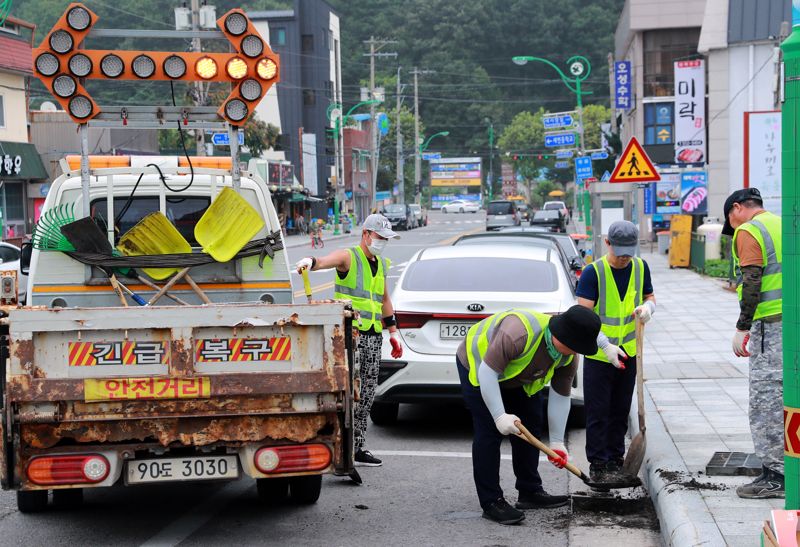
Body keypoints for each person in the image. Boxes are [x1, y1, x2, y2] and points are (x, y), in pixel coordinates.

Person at [456, 305, 602, 525]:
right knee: (489, 432)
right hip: (478, 367)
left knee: (531, 424)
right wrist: (499, 415)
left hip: (519, 377)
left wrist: (556, 442)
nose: (574, 351)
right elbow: (487, 372)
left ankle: (530, 491)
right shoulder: (517, 333)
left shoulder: (569, 355)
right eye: (572, 346)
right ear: (559, 334)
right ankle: (491, 501)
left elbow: (561, 395)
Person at [295, 214, 402, 479]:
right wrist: (312, 261)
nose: (383, 243)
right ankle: (340, 447)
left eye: (386, 239)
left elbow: (384, 299)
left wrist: (393, 331)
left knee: (366, 394)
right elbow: (327, 261)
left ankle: (357, 447)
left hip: (374, 336)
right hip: (350, 336)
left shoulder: (381, 263)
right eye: (380, 238)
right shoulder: (349, 257)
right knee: (347, 394)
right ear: (366, 234)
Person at [576, 220, 656, 485]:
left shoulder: (640, 267)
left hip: (630, 354)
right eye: (619, 250)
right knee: (598, 411)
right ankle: (598, 465)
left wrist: (648, 309)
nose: (623, 257)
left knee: (620, 410)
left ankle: (616, 461)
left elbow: (650, 297)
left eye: (628, 251)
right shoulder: (592, 273)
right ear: (607, 243)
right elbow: (584, 319)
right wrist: (606, 346)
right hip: (600, 356)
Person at [722, 187, 783, 499]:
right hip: (791, 322)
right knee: (786, 397)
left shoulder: (748, 230)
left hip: (770, 326)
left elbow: (753, 281)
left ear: (737, 209)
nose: (732, 228)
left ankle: (775, 475)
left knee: (766, 401)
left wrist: (742, 326)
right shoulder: (781, 224)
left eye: (730, 222)